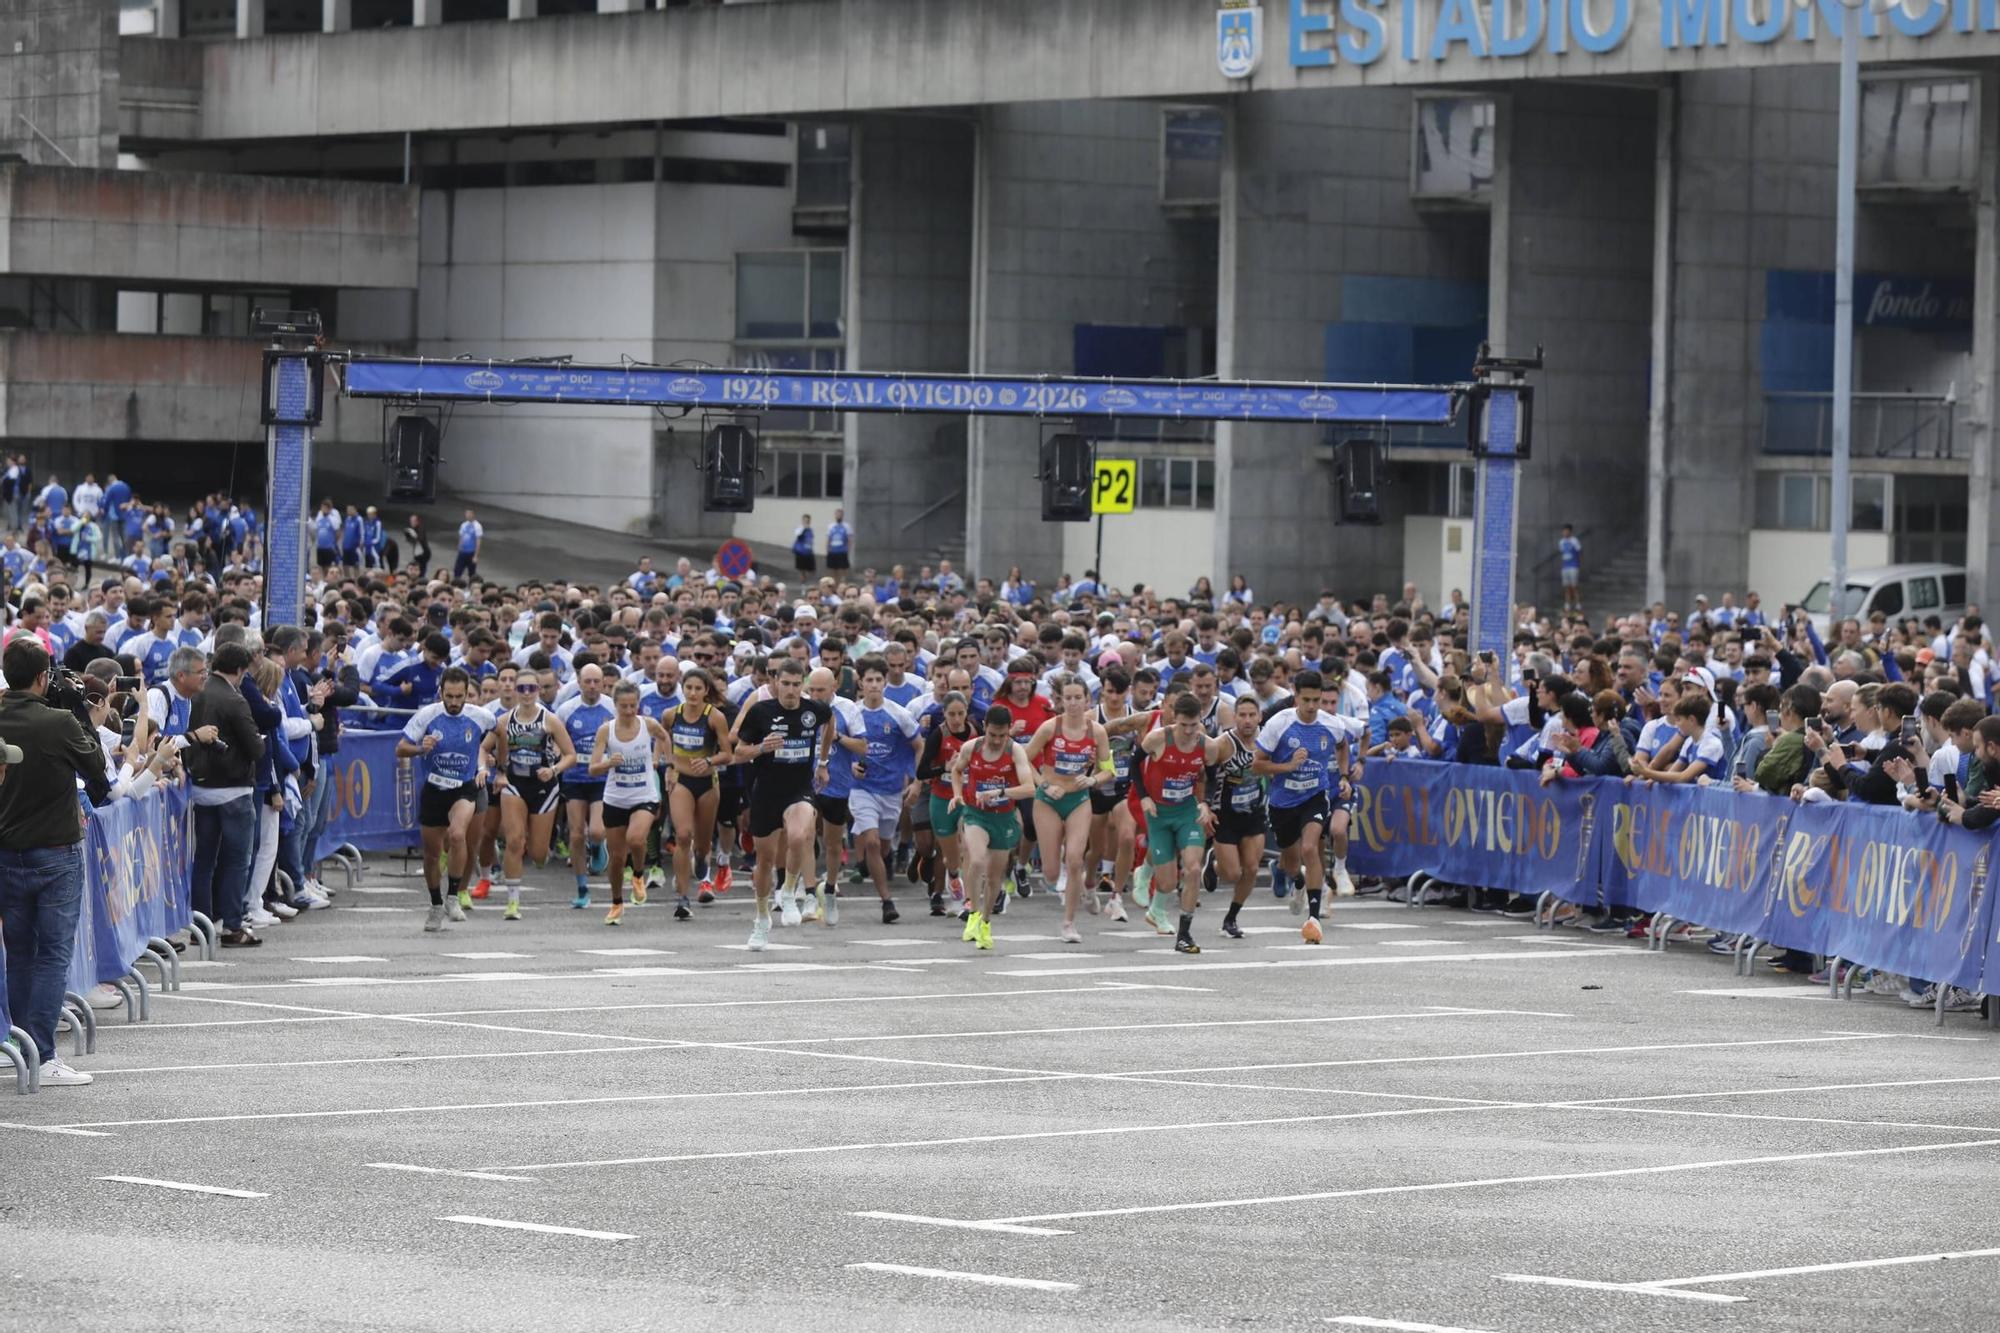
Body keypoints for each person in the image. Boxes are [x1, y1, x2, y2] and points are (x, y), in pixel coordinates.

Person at [0, 639, 110, 1086]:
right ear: (43, 677)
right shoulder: (58, 720)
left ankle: (17, 1045)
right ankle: (43, 1055)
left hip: (7, 850)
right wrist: (78, 710)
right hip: (55, 849)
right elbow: (97, 765)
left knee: (19, 953)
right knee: (51, 955)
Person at [731, 658, 835, 951]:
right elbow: (738, 753)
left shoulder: (814, 710)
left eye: (796, 684)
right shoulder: (761, 711)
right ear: (775, 682)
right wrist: (762, 747)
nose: (790, 690)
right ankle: (762, 919)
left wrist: (823, 762)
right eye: (785, 683)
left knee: (800, 836)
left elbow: (830, 722)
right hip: (766, 791)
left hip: (799, 789)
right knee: (764, 861)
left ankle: (789, 891)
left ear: (803, 685)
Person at [396, 667, 498, 933]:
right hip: (434, 789)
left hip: (464, 788)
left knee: (457, 834)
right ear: (440, 692)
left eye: (459, 696)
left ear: (467, 694)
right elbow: (401, 748)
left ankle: (454, 895)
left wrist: (497, 764)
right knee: (431, 854)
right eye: (449, 696)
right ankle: (435, 904)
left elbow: (500, 733)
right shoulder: (427, 715)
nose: (454, 702)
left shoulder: (480, 716)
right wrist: (421, 748)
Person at [187, 641, 266, 949]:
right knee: (236, 861)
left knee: (204, 860)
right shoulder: (235, 699)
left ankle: (200, 925)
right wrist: (260, 741)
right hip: (233, 787)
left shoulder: (197, 693)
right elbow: (255, 747)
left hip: (200, 785)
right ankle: (233, 926)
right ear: (240, 670)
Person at [483, 668, 575, 922]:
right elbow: (483, 748)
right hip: (514, 784)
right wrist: (492, 768)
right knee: (514, 841)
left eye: (531, 688)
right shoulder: (504, 720)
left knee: (538, 854)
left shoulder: (550, 720)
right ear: (515, 690)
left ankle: (545, 843)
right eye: (521, 688)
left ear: (538, 690)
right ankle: (512, 902)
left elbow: (571, 755)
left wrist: (553, 769)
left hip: (544, 786)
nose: (526, 693)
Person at [948, 702, 1039, 951]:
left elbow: (1029, 788)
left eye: (1002, 735)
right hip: (976, 814)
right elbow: (956, 771)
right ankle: (973, 913)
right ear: (984, 727)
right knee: (977, 860)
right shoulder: (972, 747)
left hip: (1004, 817)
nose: (997, 741)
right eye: (992, 735)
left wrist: (1000, 792)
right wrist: (957, 795)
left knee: (995, 876)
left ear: (1009, 730)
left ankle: (986, 921)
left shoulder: (1015, 751)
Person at [1134, 692, 1221, 954]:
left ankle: (1184, 934)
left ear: (1200, 719)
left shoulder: (1207, 745)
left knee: (1193, 870)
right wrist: (1144, 797)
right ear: (1174, 719)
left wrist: (1206, 803)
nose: (1189, 731)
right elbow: (1133, 764)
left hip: (1186, 812)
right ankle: (1145, 869)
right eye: (1183, 725)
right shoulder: (1158, 738)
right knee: (1168, 883)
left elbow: (1213, 777)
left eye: (1194, 725)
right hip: (1159, 814)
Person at [587, 680, 669, 927]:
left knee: (635, 839)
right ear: (615, 706)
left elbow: (664, 737)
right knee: (617, 857)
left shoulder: (648, 724)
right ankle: (616, 902)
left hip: (644, 795)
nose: (629, 711)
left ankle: (639, 874)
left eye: (633, 705)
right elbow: (592, 769)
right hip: (615, 798)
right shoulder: (606, 731)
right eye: (624, 706)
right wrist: (608, 763)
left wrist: (664, 761)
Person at [661, 669, 733, 917]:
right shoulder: (671, 715)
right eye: (688, 688)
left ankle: (702, 861)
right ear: (682, 688)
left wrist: (710, 761)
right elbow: (663, 739)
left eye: (698, 689)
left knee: (701, 846)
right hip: (681, 781)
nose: (692, 693)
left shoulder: (715, 717)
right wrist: (669, 765)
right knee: (683, 836)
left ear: (706, 691)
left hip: (707, 783)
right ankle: (682, 899)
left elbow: (728, 754)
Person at [454, 508, 482, 583]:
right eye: (466, 514)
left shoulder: (477, 526)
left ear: (473, 514)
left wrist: (476, 555)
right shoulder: (464, 525)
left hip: (471, 552)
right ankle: (456, 583)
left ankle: (471, 585)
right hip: (463, 552)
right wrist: (459, 547)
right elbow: (461, 536)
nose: (467, 515)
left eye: (469, 514)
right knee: (457, 570)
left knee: (471, 572)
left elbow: (478, 541)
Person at [1558, 524, 1582, 613]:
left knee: (1574, 586)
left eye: (1566, 531)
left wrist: (1578, 564)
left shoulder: (1574, 541)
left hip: (1573, 566)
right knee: (1566, 586)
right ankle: (1567, 603)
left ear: (1570, 531)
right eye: (1563, 531)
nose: (1564, 533)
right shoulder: (1561, 542)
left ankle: (1577, 603)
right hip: (1565, 566)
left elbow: (1579, 552)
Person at [404, 514, 431, 580]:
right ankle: (416, 577)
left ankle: (420, 579)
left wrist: (413, 535)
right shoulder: (413, 529)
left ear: (417, 521)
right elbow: (410, 541)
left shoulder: (421, 528)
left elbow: (420, 539)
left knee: (421, 568)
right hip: (417, 552)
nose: (411, 523)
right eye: (411, 521)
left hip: (423, 553)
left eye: (413, 521)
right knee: (416, 566)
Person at [826, 507, 851, 573]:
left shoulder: (846, 526)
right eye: (837, 514)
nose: (839, 516)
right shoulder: (831, 526)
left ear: (842, 515)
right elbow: (829, 539)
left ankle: (842, 580)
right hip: (833, 551)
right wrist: (828, 549)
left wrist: (848, 549)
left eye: (840, 514)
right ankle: (834, 580)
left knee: (842, 569)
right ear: (835, 515)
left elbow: (849, 539)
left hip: (842, 551)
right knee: (833, 569)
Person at [792, 513, 816, 577]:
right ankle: (802, 580)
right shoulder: (799, 528)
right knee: (801, 568)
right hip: (801, 551)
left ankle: (808, 578)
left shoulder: (810, 529)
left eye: (808, 520)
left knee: (811, 569)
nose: (806, 522)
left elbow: (811, 539)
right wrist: (804, 529)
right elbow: (798, 535)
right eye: (805, 520)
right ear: (802, 520)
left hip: (808, 550)